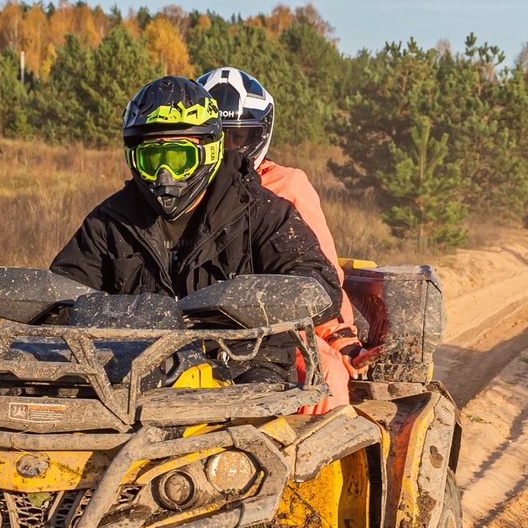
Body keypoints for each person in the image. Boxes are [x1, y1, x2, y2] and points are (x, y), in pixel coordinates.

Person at [49, 75, 342, 395]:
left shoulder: (261, 212)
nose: (165, 176)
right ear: (133, 159)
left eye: (179, 158)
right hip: (131, 375)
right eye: (152, 159)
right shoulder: (110, 221)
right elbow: (58, 298)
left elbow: (321, 285)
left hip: (246, 370)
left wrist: (238, 301)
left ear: (210, 152)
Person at [197, 67, 363, 397]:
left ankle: (334, 433)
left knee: (327, 374)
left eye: (237, 137)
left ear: (259, 134)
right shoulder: (181, 191)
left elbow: (322, 272)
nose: (227, 149)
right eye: (216, 137)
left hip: (278, 329)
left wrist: (338, 334)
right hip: (196, 330)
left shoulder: (286, 185)